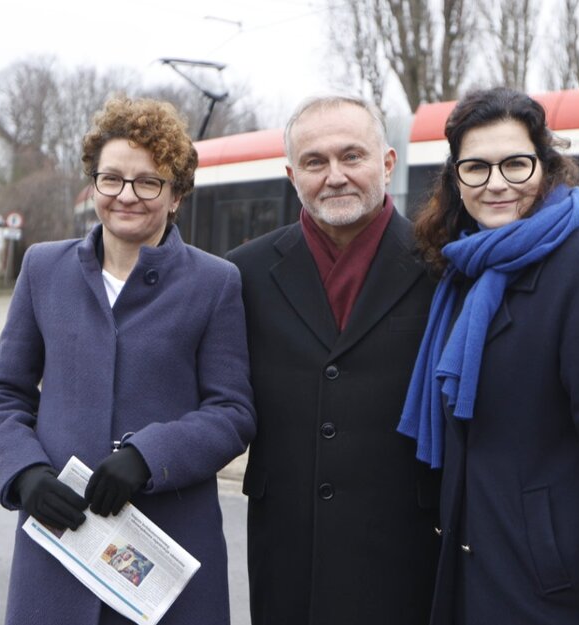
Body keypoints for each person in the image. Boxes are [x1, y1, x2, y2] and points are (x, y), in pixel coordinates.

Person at [0, 97, 256, 625]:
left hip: (167, 553)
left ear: (176, 195)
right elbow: (2, 395)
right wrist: (25, 474)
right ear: (95, 185)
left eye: (148, 182)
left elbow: (232, 412)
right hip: (59, 549)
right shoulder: (43, 269)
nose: (126, 196)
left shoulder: (215, 283)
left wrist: (148, 456)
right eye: (112, 179)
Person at [399, 87, 579, 625]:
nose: (496, 183)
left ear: (544, 167)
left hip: (546, 594)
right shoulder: (460, 274)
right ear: (455, 179)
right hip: (469, 579)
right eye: (475, 168)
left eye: (515, 164)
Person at [224, 95, 440, 625]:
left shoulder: (440, 266)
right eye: (315, 162)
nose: (335, 176)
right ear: (291, 175)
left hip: (406, 552)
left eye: (353, 156)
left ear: (387, 164)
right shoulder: (242, 274)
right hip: (285, 552)